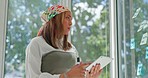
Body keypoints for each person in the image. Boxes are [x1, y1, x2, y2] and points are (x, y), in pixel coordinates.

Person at [25, 4, 102, 78]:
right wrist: (65, 76)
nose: (71, 23)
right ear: (55, 20)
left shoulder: (71, 48)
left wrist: (89, 76)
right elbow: (33, 76)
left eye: (71, 19)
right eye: (67, 18)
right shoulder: (36, 44)